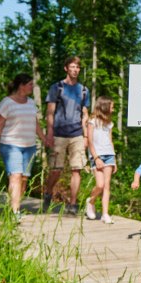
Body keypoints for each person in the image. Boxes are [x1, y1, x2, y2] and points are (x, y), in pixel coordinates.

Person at [0, 73, 46, 221]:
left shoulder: (31, 103)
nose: (32, 87)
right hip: (10, 144)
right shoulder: (6, 103)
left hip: (29, 146)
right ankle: (15, 212)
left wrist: (44, 138)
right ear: (21, 85)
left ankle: (14, 205)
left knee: (24, 179)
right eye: (30, 85)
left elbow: (35, 123)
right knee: (15, 176)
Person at [44, 56, 90, 216]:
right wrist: (49, 132)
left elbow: (85, 114)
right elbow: (49, 112)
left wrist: (85, 136)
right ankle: (48, 193)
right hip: (59, 134)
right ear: (66, 68)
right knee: (56, 170)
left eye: (77, 67)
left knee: (76, 169)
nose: (75, 70)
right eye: (72, 66)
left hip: (77, 134)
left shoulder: (84, 90)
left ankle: (73, 203)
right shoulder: (57, 88)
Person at [84, 96, 117, 223]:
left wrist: (114, 159)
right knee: (100, 185)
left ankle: (105, 214)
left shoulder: (109, 123)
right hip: (97, 156)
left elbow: (110, 140)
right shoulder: (92, 121)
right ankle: (91, 201)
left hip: (109, 156)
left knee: (107, 186)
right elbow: (90, 141)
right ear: (104, 106)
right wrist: (96, 157)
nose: (113, 109)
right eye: (111, 106)